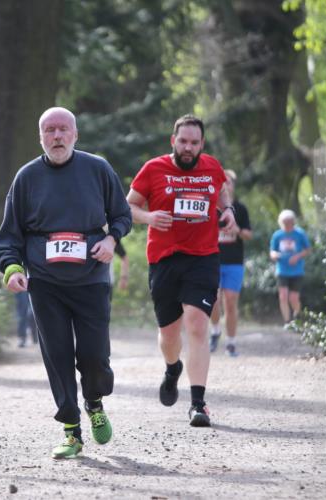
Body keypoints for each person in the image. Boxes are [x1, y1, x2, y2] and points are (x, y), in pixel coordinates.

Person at [0, 107, 132, 459]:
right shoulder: (26, 178)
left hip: (91, 278)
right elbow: (9, 236)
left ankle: (94, 401)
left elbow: (122, 214)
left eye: (63, 130)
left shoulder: (98, 169)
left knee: (95, 356)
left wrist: (111, 240)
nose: (57, 136)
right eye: (50, 130)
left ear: (75, 135)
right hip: (46, 283)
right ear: (40, 136)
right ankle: (71, 431)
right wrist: (12, 269)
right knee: (56, 355)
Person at [126, 114, 236, 427]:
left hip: (203, 258)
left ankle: (198, 404)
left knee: (197, 325)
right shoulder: (153, 168)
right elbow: (128, 206)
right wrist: (149, 218)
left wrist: (225, 210)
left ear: (202, 144)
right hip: (164, 259)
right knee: (169, 335)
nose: (188, 148)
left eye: (194, 143)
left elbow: (222, 189)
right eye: (183, 142)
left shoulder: (211, 166)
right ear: (173, 141)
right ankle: (172, 367)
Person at [209, 170, 252, 357]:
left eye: (228, 182)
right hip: (211, 260)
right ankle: (216, 330)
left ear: (233, 186)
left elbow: (249, 235)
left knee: (231, 303)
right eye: (222, 182)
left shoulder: (240, 209)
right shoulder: (210, 207)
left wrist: (237, 229)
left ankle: (232, 343)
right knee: (213, 301)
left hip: (234, 262)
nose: (225, 185)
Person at [269, 209, 311, 325]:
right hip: (282, 270)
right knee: (283, 296)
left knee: (293, 298)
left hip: (297, 271)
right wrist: (275, 255)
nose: (287, 225)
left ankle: (297, 318)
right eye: (284, 223)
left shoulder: (300, 234)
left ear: (293, 222)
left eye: (289, 222)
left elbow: (308, 250)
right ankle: (287, 322)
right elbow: (272, 251)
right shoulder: (277, 235)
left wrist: (297, 257)